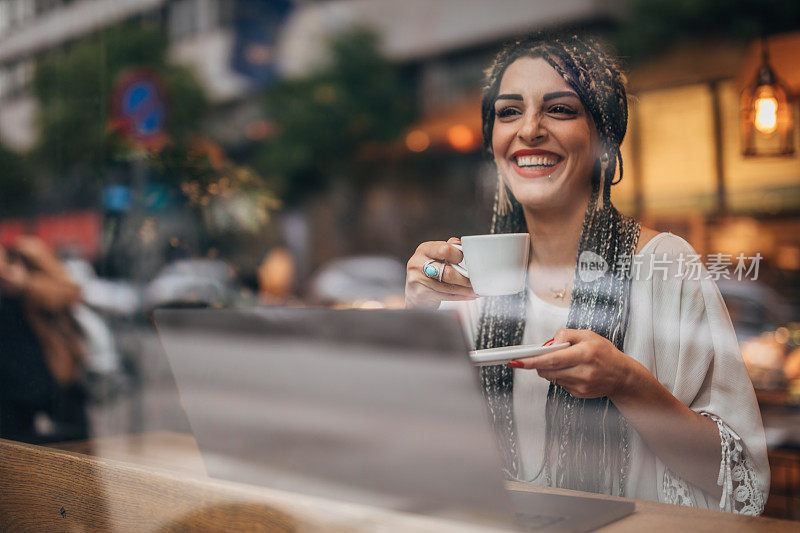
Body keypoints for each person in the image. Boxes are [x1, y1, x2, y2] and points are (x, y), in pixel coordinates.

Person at [404, 33, 769, 515]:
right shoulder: (467, 284)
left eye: (560, 109)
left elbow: (742, 482)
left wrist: (626, 383)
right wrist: (415, 328)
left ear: (604, 136)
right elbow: (422, 455)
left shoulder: (664, 265)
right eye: (509, 112)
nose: (529, 130)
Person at [0, 237, 88, 443]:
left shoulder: (24, 255)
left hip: (49, 376)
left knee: (70, 447)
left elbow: (70, 292)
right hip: (10, 389)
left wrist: (25, 285)